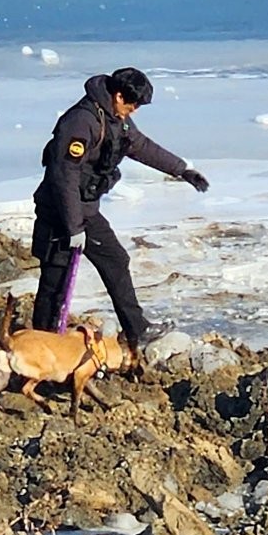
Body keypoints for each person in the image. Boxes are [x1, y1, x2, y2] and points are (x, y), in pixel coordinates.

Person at [29, 67, 209, 353]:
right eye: (132, 104)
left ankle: (137, 330)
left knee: (116, 259)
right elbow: (63, 177)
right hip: (59, 214)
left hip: (86, 211)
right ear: (118, 94)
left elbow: (141, 146)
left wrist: (182, 169)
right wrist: (73, 227)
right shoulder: (80, 122)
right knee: (55, 283)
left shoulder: (116, 119)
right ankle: (42, 345)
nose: (134, 111)